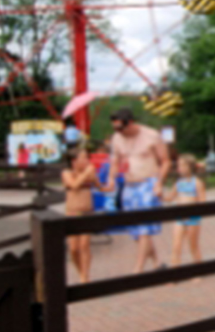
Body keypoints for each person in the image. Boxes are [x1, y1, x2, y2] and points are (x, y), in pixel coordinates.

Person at [108, 108, 172, 274]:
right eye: (115, 129)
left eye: (121, 128)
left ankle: (138, 270)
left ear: (130, 123)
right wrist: (111, 179)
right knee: (136, 230)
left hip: (148, 182)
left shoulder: (151, 135)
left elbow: (165, 161)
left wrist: (159, 183)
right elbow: (115, 162)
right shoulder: (117, 138)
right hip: (129, 184)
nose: (118, 132)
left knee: (144, 228)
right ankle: (157, 263)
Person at [62, 146, 111, 284]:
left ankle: (85, 277)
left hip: (87, 213)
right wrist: (87, 173)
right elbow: (74, 185)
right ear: (74, 161)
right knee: (73, 249)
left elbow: (100, 187)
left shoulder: (90, 173)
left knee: (84, 246)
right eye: (83, 158)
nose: (87, 161)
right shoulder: (67, 173)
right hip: (71, 213)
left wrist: (110, 186)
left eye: (87, 158)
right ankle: (81, 272)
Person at [163, 154, 206, 271]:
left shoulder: (197, 183)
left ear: (189, 167)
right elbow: (170, 198)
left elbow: (203, 202)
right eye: (178, 165)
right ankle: (174, 274)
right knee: (176, 247)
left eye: (182, 165)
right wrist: (160, 195)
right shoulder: (178, 183)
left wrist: (194, 209)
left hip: (193, 218)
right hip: (179, 218)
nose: (179, 168)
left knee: (193, 246)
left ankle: (198, 272)